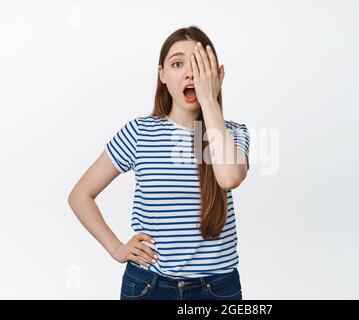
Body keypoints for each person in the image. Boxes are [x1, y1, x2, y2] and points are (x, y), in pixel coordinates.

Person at [68, 25, 250, 300]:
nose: (190, 73)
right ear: (162, 75)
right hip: (148, 286)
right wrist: (116, 248)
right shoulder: (138, 133)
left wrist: (209, 99)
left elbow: (229, 178)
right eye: (178, 63)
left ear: (216, 74)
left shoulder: (234, 134)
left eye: (200, 65)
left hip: (218, 289)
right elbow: (80, 195)